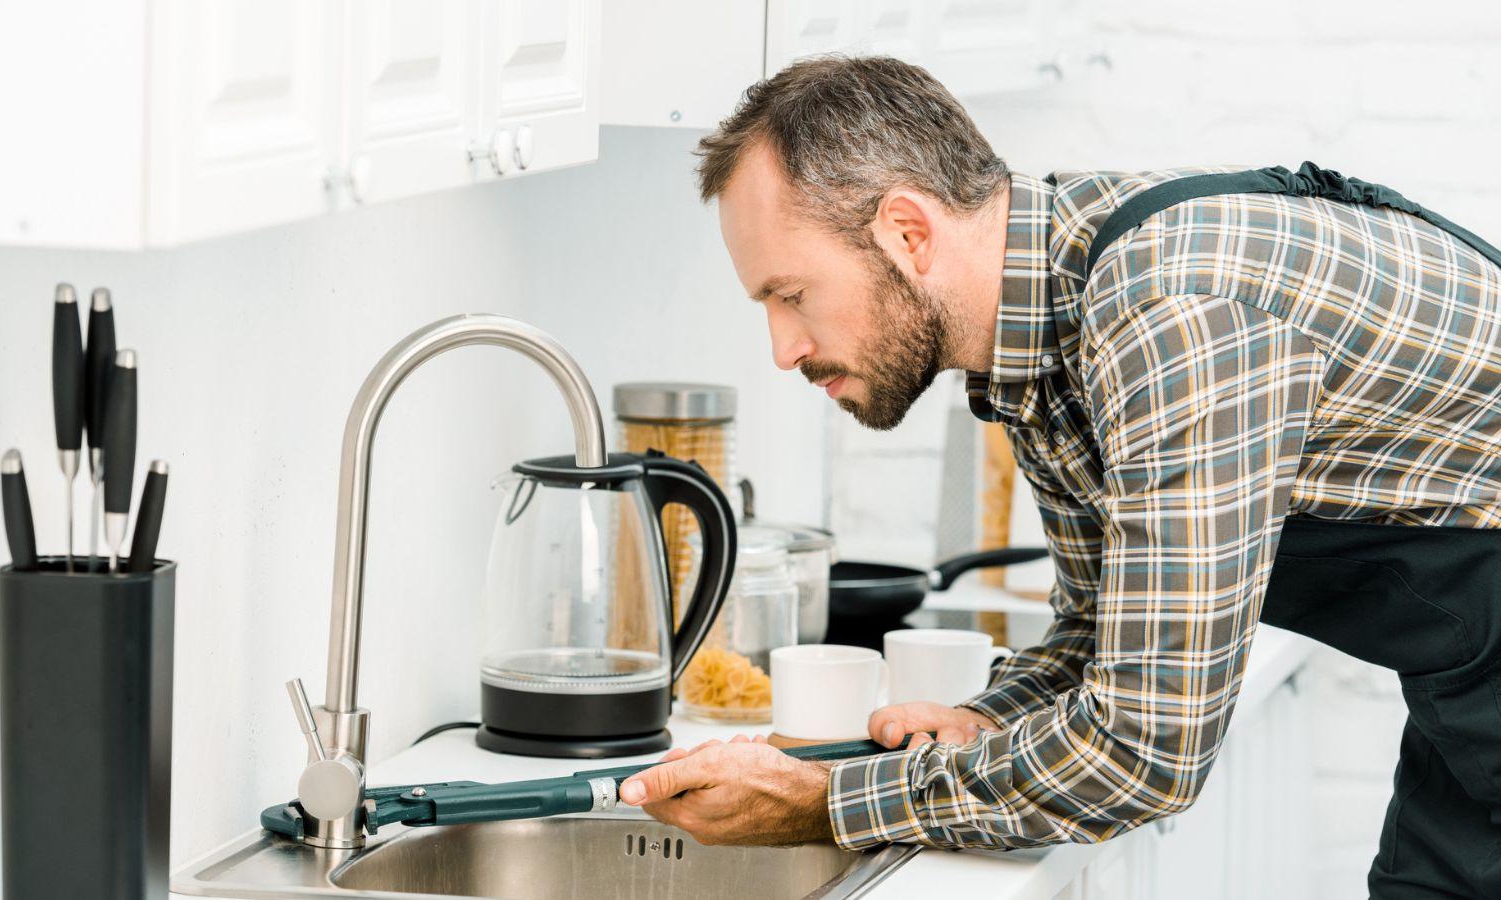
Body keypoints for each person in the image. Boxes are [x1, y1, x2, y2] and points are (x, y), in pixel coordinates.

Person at [615, 55, 1501, 898]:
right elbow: (1099, 629)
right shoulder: (1039, 328)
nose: (784, 349)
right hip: (1470, 693)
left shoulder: (1171, 312)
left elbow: (1144, 748)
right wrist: (988, 719)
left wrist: (824, 806)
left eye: (792, 294)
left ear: (908, 232)